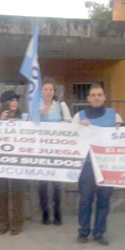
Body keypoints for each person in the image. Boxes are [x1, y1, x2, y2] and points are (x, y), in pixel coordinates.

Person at [73, 83, 122, 246]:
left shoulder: (114, 115)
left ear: (104, 97)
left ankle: (99, 233)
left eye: (99, 95)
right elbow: (70, 138)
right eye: (93, 95)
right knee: (85, 200)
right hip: (87, 164)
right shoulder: (79, 116)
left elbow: (122, 136)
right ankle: (83, 232)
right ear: (88, 98)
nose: (96, 97)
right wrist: (79, 129)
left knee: (104, 200)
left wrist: (119, 129)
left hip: (106, 164)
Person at [0, 90, 29, 235]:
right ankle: (3, 223)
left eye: (16, 100)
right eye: (11, 100)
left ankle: (17, 224)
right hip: (0, 159)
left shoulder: (24, 116)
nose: (14, 103)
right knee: (2, 192)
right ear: (4, 103)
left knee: (17, 192)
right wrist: (0, 122)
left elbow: (29, 134)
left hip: (18, 159)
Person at [37, 79, 72, 226]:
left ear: (54, 92)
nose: (48, 92)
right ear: (41, 91)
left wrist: (58, 126)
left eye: (50, 89)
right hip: (41, 149)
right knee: (42, 184)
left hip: (57, 148)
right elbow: (30, 126)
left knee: (57, 183)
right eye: (45, 89)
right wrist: (40, 114)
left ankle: (58, 214)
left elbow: (69, 122)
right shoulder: (36, 106)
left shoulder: (61, 106)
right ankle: (45, 214)